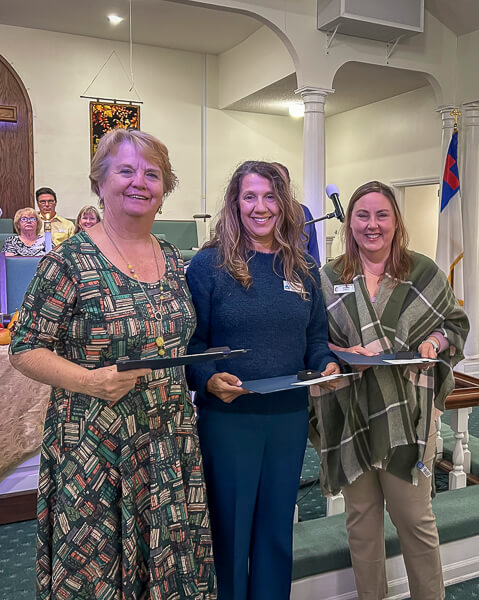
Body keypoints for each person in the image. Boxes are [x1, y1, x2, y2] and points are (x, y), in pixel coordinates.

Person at [10, 129, 216, 600]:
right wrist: (88, 379)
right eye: (125, 170)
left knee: (169, 568)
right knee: (99, 575)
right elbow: (24, 346)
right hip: (97, 445)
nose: (139, 182)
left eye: (152, 174)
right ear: (100, 183)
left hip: (167, 441)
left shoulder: (169, 255)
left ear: (164, 190)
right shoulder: (68, 261)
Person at [185, 160, 339, 600]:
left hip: (288, 416)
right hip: (230, 418)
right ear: (235, 202)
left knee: (276, 531)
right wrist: (209, 379)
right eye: (250, 196)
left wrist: (325, 363)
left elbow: (314, 337)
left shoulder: (302, 265)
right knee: (230, 531)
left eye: (270, 197)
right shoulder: (209, 264)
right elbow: (192, 342)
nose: (260, 207)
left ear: (283, 204)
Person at [309, 180, 469, 600]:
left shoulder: (422, 271)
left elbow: (455, 325)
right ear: (350, 223)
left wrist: (433, 343)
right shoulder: (328, 277)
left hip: (408, 418)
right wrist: (341, 350)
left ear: (396, 221)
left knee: (416, 522)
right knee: (361, 523)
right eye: (362, 215)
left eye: (382, 215)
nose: (372, 224)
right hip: (352, 417)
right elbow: (311, 339)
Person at [271, 162, 320, 265]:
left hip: (301, 274)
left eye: (280, 182)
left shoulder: (304, 212)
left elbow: (314, 256)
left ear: (288, 185)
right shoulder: (260, 216)